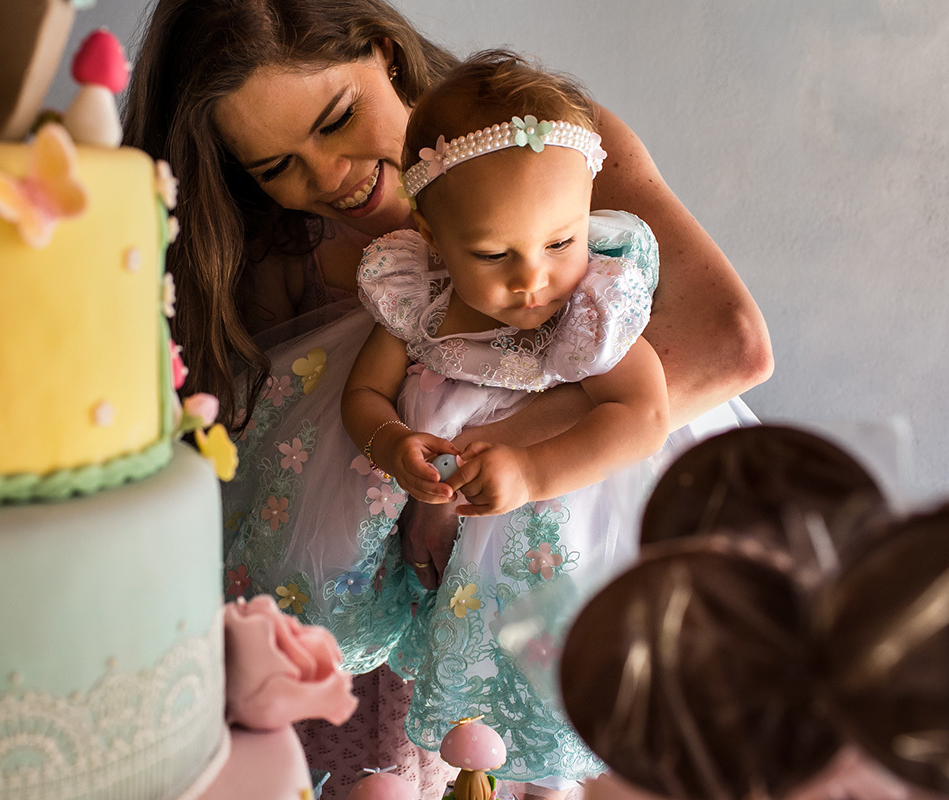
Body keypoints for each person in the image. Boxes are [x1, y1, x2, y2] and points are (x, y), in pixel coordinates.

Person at [123, 0, 772, 795]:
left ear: (386, 55)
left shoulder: (542, 144)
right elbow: (291, 436)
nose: (328, 177)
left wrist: (483, 473)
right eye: (276, 167)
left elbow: (727, 344)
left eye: (337, 119)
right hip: (398, 608)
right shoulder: (291, 255)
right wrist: (400, 467)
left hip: (568, 553)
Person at [332, 49, 675, 789]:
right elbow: (361, 397)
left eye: (561, 241)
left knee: (538, 709)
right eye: (493, 253)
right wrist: (391, 443)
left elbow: (643, 413)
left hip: (549, 557)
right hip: (444, 552)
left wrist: (533, 468)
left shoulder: (586, 312)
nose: (533, 279)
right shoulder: (416, 303)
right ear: (431, 235)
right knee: (448, 704)